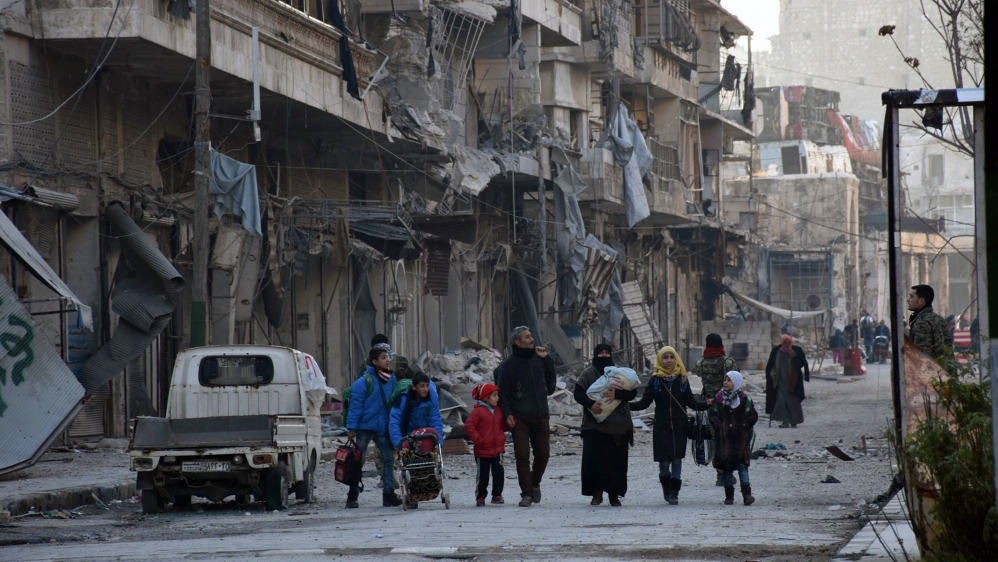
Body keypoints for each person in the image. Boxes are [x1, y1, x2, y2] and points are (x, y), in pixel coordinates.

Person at [630, 346, 709, 505]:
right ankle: (666, 487)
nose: (668, 360)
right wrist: (626, 405)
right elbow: (645, 402)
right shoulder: (656, 380)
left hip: (680, 426)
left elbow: (690, 402)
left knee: (677, 459)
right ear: (660, 360)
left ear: (676, 359)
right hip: (662, 426)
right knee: (664, 462)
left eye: (671, 357)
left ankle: (674, 492)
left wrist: (706, 404)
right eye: (665, 357)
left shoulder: (682, 380)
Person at [494, 326, 557, 507]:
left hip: (540, 414)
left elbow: (551, 386)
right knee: (522, 456)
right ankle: (527, 493)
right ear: (518, 342)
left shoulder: (540, 359)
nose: (532, 340)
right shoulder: (508, 366)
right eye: (528, 337)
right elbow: (502, 394)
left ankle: (534, 482)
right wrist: (507, 414)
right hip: (519, 417)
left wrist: (548, 361)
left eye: (531, 336)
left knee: (543, 454)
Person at [572, 344, 638, 506]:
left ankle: (614, 495)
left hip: (618, 426)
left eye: (606, 353)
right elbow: (578, 393)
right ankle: (597, 494)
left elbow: (633, 392)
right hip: (594, 426)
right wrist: (590, 403)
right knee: (594, 462)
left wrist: (617, 393)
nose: (603, 355)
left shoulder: (619, 374)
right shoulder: (588, 374)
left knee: (616, 463)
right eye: (600, 353)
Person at [345, 348, 402, 508]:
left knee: (389, 458)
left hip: (383, 426)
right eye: (383, 358)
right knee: (358, 461)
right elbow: (355, 406)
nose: (387, 360)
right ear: (374, 361)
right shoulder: (364, 382)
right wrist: (351, 428)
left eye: (387, 357)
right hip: (364, 427)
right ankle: (352, 496)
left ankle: (388, 494)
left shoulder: (391, 379)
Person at [388, 372, 443, 509]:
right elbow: (394, 421)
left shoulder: (431, 399)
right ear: (414, 387)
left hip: (425, 436)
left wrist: (438, 441)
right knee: (409, 467)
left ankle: (427, 489)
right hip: (408, 436)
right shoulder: (403, 400)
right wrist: (397, 443)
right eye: (421, 386)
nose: (424, 389)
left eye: (426, 386)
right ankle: (412, 495)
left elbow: (435, 419)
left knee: (427, 464)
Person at [690, 333, 738, 487]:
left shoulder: (701, 363)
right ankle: (729, 473)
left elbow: (697, 372)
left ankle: (720, 474)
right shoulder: (728, 363)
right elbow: (735, 381)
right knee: (728, 440)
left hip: (710, 406)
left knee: (715, 439)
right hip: (727, 407)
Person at [708, 371, 759, 506]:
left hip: (741, 440)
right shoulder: (719, 399)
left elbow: (753, 416)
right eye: (725, 380)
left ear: (736, 383)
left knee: (743, 467)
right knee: (727, 468)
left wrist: (745, 425)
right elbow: (711, 415)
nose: (725, 382)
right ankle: (729, 497)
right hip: (725, 440)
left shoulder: (744, 400)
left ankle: (747, 495)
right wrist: (719, 426)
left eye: (729, 380)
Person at [465, 383, 510, 507]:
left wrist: (509, 424)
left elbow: (502, 426)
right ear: (486, 397)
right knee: (483, 475)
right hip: (482, 450)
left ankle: (497, 495)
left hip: (498, 449)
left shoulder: (499, 411)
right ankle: (480, 496)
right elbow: (469, 426)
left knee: (499, 473)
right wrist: (478, 440)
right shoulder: (478, 411)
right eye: (494, 396)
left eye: (497, 395)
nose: (497, 398)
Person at [765, 335, 809, 428]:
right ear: (782, 342)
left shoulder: (796, 350)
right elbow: (770, 364)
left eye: (789, 342)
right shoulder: (776, 351)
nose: (787, 344)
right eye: (785, 343)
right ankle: (784, 422)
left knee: (793, 402)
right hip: (780, 381)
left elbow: (802, 363)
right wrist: (771, 372)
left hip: (792, 383)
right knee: (781, 401)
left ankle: (794, 421)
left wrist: (794, 356)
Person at [906, 284, 953, 361]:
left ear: (921, 301)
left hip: (931, 371)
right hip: (944, 369)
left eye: (911, 297)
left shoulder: (922, 322)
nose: (908, 300)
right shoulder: (937, 318)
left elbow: (921, 356)